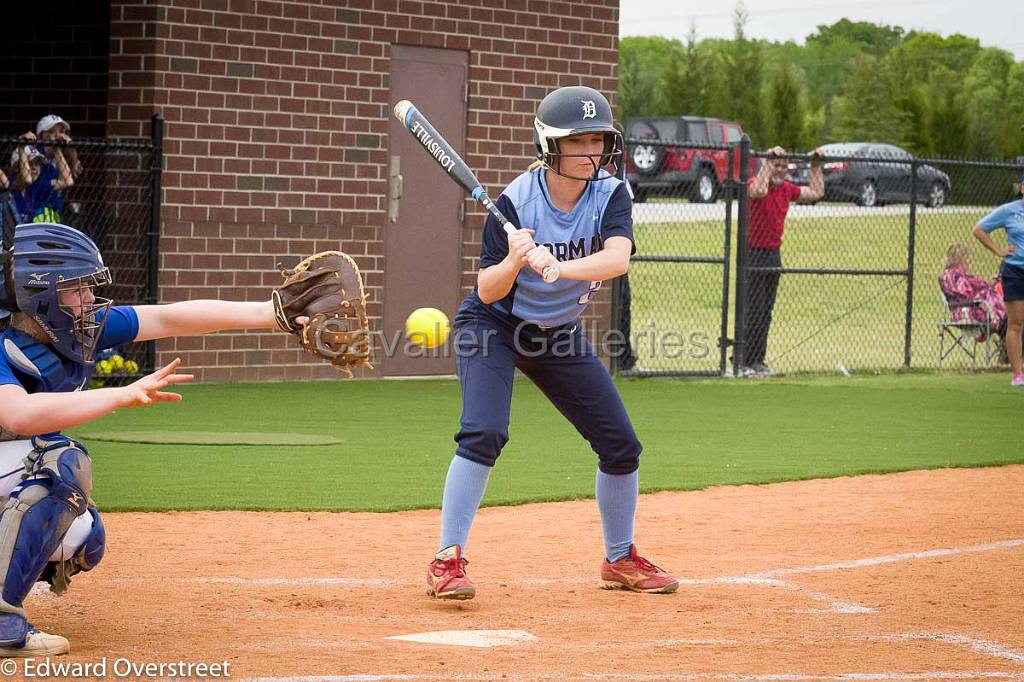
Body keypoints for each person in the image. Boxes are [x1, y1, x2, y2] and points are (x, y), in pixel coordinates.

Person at [425, 85, 678, 601]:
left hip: (557, 333)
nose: (591, 152)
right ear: (550, 146)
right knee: (484, 432)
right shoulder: (516, 201)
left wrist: (558, 266)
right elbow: (486, 288)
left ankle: (619, 558)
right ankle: (446, 560)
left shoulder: (611, 193)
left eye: (598, 140)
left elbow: (617, 259)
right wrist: (516, 260)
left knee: (620, 445)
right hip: (492, 327)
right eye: (578, 141)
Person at [0, 222, 286, 656]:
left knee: (81, 536)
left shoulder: (76, 330)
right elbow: (19, 417)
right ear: (39, 296)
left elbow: (168, 316)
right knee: (60, 463)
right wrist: (118, 395)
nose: (88, 299)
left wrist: (270, 313)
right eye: (74, 289)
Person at [738, 145, 824, 377]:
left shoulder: (787, 189)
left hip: (773, 253)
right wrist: (768, 161)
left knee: (766, 310)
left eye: (784, 166)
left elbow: (816, 192)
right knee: (753, 310)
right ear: (767, 165)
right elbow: (758, 191)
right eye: (777, 165)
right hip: (753, 253)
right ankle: (744, 361)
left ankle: (759, 360)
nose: (781, 170)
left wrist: (815, 167)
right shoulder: (756, 183)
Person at [972, 170, 1024, 386]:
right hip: (1014, 273)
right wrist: (999, 250)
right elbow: (979, 230)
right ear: (1021, 187)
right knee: (1016, 323)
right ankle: (1017, 374)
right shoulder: (1009, 211)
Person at [940, 243, 1007, 340]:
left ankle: (1007, 345)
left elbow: (975, 289)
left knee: (1007, 324)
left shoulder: (955, 275)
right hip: (969, 311)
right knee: (1008, 323)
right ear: (959, 260)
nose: (969, 262)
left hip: (968, 309)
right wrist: (992, 313)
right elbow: (969, 296)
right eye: (967, 259)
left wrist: (990, 285)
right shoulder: (955, 276)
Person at [12, 129, 74, 224]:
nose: (35, 168)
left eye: (37, 163)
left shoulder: (37, 185)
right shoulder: (12, 183)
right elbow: (26, 179)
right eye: (29, 163)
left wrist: (57, 150)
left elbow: (68, 181)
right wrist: (21, 148)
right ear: (17, 167)